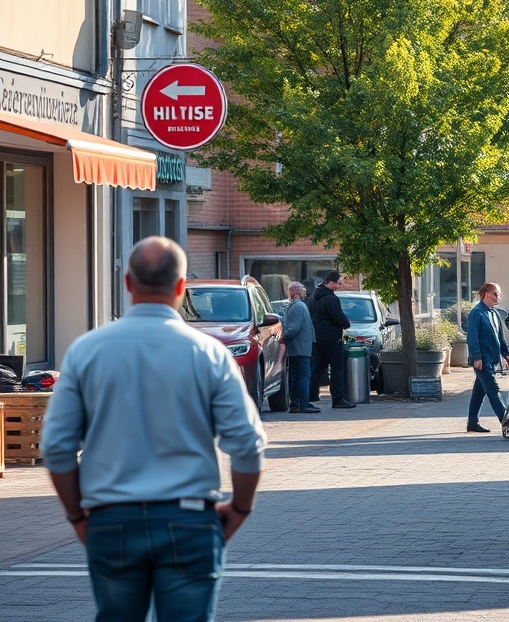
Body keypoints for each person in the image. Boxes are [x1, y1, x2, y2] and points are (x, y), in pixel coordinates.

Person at [41, 237, 267, 622]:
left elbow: (57, 447)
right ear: (181, 286)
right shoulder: (209, 353)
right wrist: (241, 507)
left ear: (128, 283)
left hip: (112, 520)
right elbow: (246, 443)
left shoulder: (86, 351)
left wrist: (78, 516)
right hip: (189, 519)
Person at [465, 282, 509, 433]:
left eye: (499, 294)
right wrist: (476, 357)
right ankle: (506, 421)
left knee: (479, 391)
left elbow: (500, 337)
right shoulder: (476, 313)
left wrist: (506, 353)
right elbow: (472, 337)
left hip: (492, 359)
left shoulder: (494, 313)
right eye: (495, 294)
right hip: (482, 359)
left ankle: (472, 423)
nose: (498, 297)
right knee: (493, 390)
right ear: (486, 295)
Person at [309, 270, 356, 408]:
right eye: (337, 283)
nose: (338, 286)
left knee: (317, 368)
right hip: (332, 338)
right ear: (329, 282)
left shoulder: (314, 297)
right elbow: (338, 316)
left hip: (317, 338)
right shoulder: (331, 298)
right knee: (337, 368)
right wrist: (345, 324)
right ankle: (338, 399)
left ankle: (310, 395)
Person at [282, 281, 319, 414]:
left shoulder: (294, 306)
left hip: (296, 347)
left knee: (295, 376)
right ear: (297, 292)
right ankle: (303, 404)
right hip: (301, 347)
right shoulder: (299, 307)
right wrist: (284, 337)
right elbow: (295, 327)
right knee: (303, 376)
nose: (305, 293)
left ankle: (296, 403)